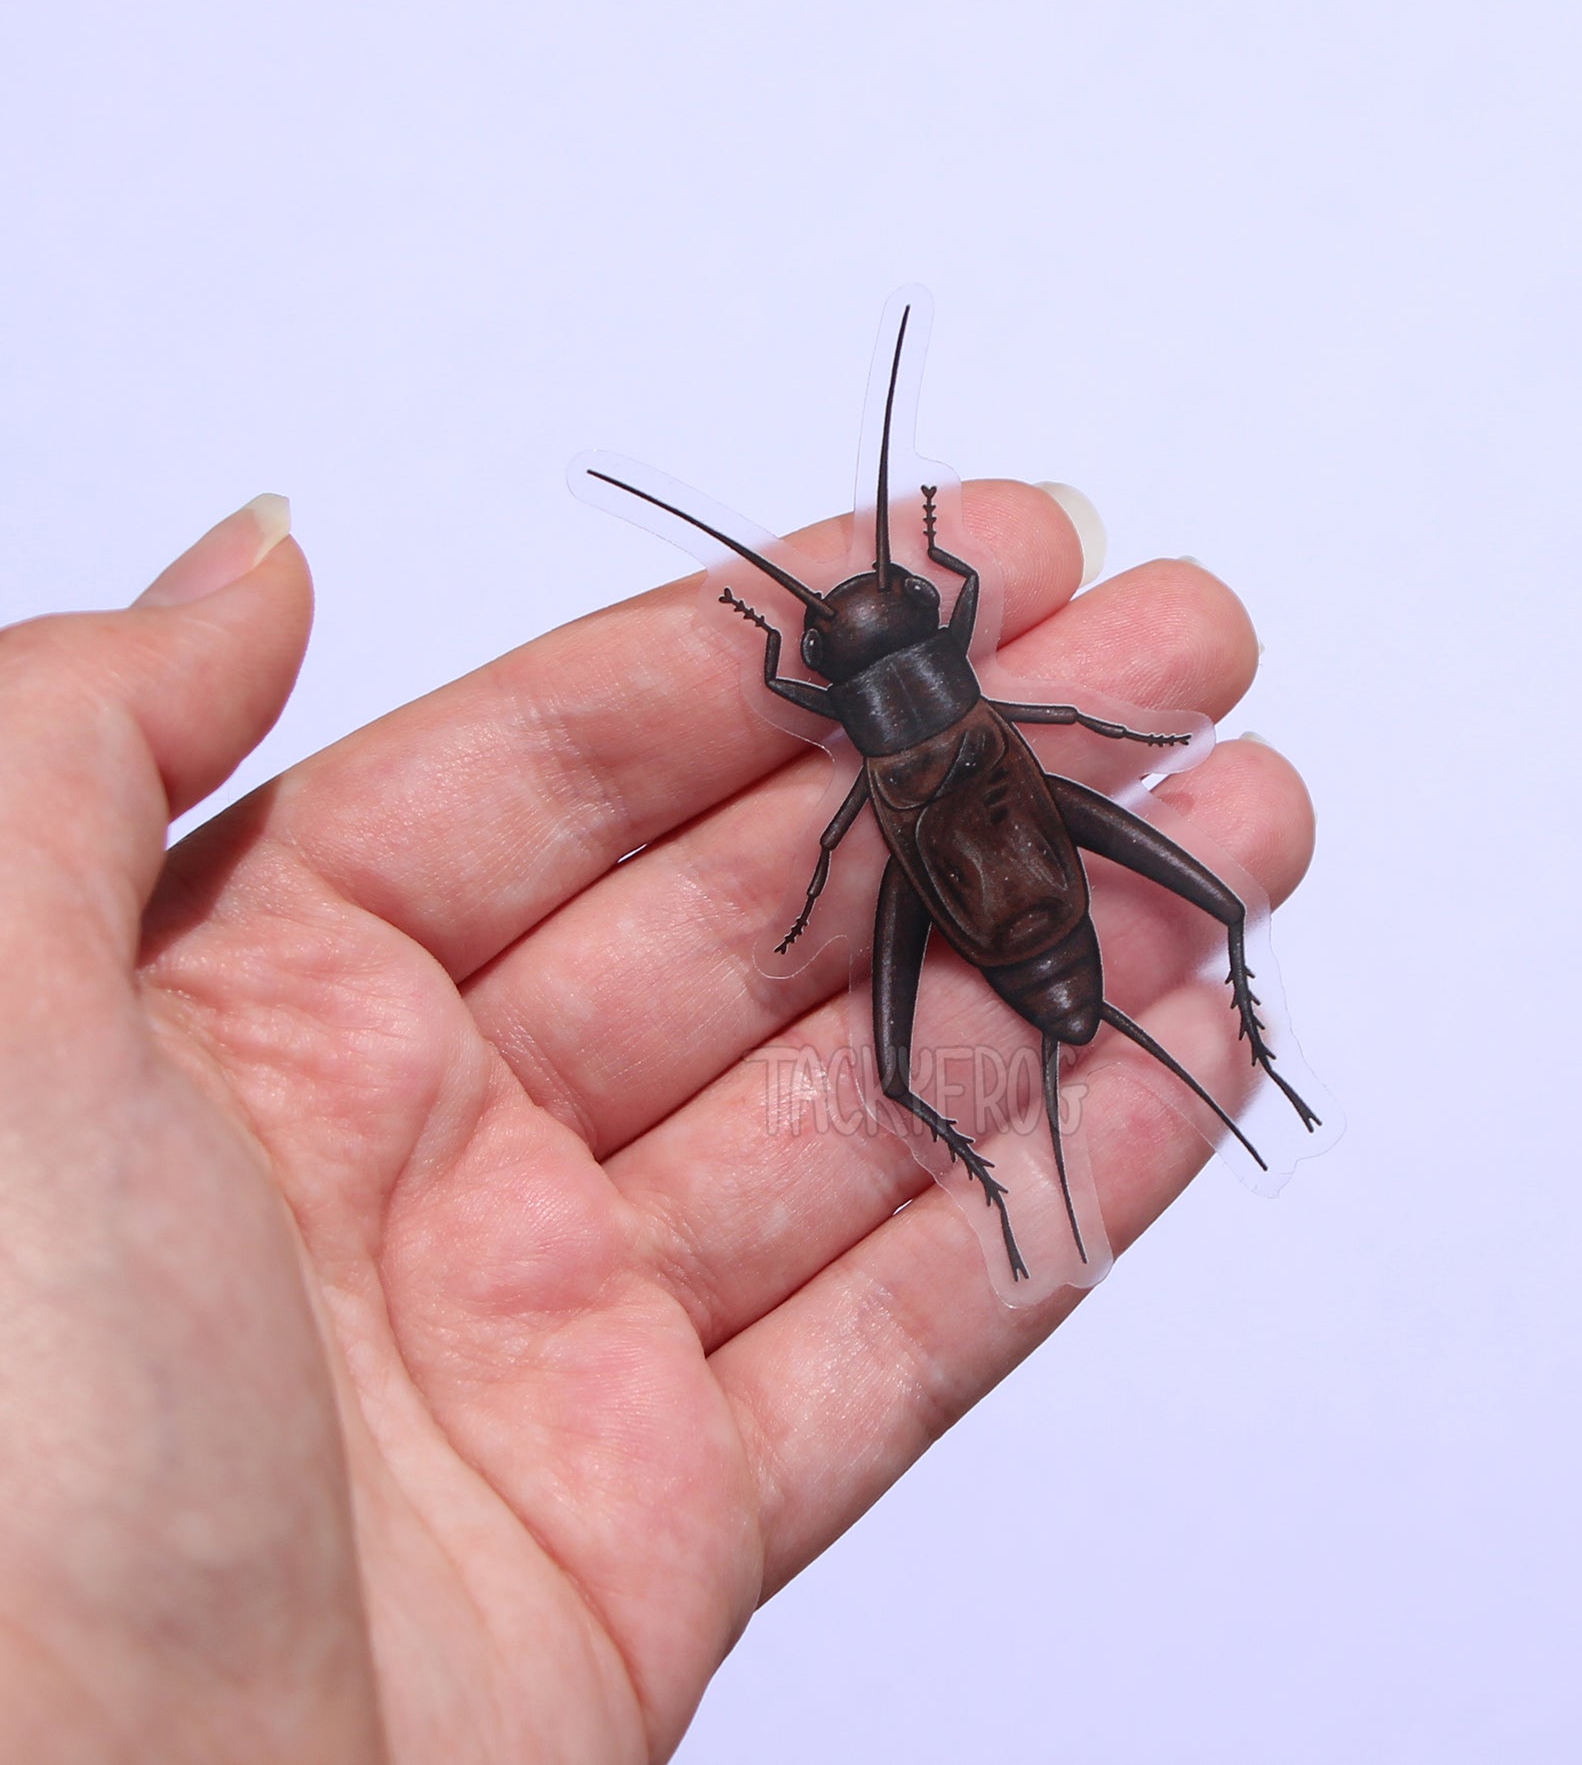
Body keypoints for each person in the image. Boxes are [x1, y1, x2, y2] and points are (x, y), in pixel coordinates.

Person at [0, 482, 1312, 1762]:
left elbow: (867, 779)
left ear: (838, 693)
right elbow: (1006, 647)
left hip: (967, 880)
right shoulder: (962, 671)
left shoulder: (855, 738)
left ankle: (1136, 1083)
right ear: (930, 640)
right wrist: (936, 566)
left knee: (953, 1036)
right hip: (1013, 847)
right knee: (1140, 931)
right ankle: (1228, 1047)